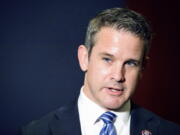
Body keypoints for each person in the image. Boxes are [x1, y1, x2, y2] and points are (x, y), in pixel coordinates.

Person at [22, 8, 180, 135]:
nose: (118, 76)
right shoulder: (37, 131)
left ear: (143, 68)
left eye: (130, 63)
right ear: (84, 58)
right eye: (107, 59)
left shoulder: (169, 131)